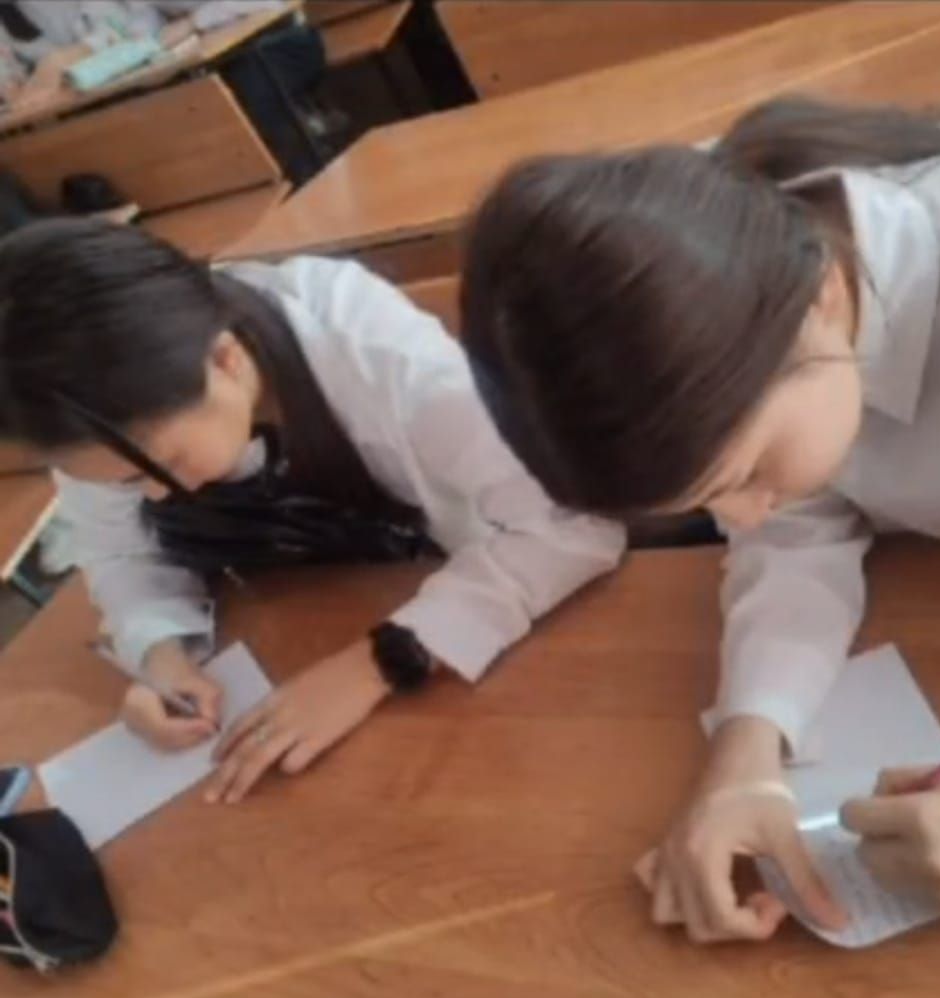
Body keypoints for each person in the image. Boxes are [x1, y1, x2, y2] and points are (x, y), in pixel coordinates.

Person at [456, 97, 940, 943]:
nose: (743, 516)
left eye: (745, 474)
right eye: (706, 503)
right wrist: (746, 751)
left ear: (821, 299)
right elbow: (795, 535)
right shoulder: (749, 298)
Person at [0, 218, 623, 805]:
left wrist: (379, 664)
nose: (155, 497)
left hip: (467, 637)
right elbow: (121, 551)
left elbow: (570, 526)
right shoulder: (85, 412)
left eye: (159, 468)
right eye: (125, 483)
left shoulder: (368, 351)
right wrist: (160, 652)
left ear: (225, 360)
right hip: (297, 626)